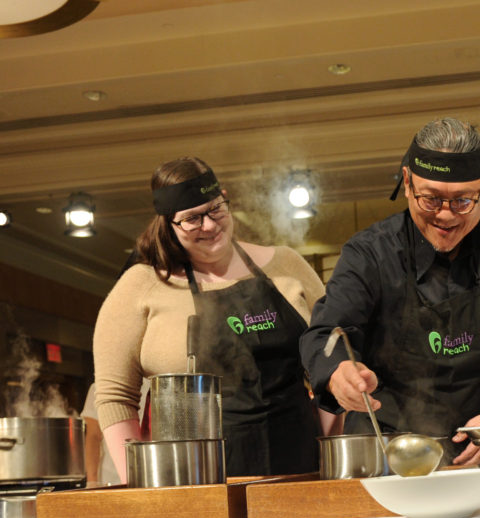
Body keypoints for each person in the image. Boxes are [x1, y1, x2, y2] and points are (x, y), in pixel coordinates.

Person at [299, 118, 480, 467]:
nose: (446, 216)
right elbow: (325, 333)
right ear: (408, 183)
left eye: (463, 201)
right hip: (382, 457)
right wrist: (338, 374)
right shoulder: (370, 254)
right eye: (431, 199)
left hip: (473, 455)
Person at [93, 156, 328, 479]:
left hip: (302, 470)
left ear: (226, 198)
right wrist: (136, 483)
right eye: (192, 219)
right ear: (168, 223)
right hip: (193, 482)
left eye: (216, 209)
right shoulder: (141, 285)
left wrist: (333, 446)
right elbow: (115, 396)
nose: (209, 225)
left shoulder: (286, 265)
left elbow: (334, 361)